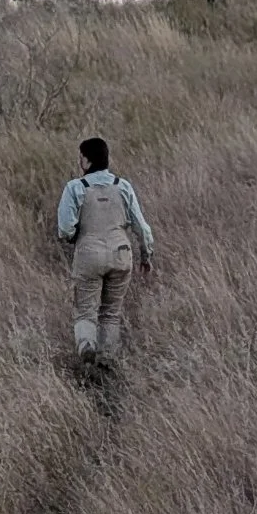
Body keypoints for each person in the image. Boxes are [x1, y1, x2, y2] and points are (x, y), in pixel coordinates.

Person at [56, 136, 154, 363]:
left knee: (85, 312)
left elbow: (64, 228)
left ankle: (87, 347)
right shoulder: (123, 186)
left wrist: (72, 237)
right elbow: (143, 228)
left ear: (86, 160)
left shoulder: (75, 188)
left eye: (80, 157)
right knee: (111, 313)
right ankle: (108, 360)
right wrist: (146, 255)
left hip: (89, 253)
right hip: (121, 254)